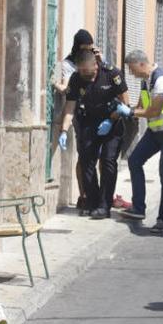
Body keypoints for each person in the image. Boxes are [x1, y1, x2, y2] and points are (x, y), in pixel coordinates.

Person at [57, 49, 131, 219]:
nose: (82, 73)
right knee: (86, 161)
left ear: (95, 66)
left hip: (112, 122)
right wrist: (63, 130)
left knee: (107, 161)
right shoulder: (76, 79)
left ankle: (105, 206)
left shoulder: (112, 74)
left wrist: (111, 121)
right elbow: (70, 107)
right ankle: (92, 202)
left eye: (85, 70)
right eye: (80, 69)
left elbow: (125, 103)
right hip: (89, 122)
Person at [119, 50, 163, 233]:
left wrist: (130, 112)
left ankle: (162, 220)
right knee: (134, 161)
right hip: (156, 131)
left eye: (132, 69)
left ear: (141, 64)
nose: (131, 74)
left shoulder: (162, 80)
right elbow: (142, 107)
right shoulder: (145, 82)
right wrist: (126, 110)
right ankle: (139, 209)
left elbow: (153, 111)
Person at [51, 29, 96, 215]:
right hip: (79, 114)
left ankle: (97, 194)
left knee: (97, 158)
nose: (86, 50)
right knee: (84, 157)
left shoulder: (97, 62)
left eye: (89, 48)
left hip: (98, 113)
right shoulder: (68, 64)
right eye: (83, 47)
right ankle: (84, 195)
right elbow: (65, 87)